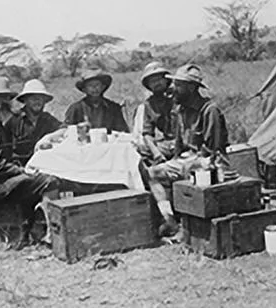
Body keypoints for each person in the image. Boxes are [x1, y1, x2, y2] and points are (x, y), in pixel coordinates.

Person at [0, 76, 58, 248]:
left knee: (35, 180)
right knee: (50, 182)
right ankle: (48, 232)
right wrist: (20, 171)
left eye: (5, 99)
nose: (3, 103)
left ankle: (35, 227)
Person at [144, 63, 229, 237]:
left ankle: (188, 224)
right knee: (151, 173)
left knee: (188, 169)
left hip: (210, 163)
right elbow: (179, 145)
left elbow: (213, 150)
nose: (173, 89)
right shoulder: (180, 109)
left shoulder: (209, 110)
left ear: (191, 88)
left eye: (179, 85)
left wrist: (184, 164)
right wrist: (174, 162)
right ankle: (170, 219)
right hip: (188, 160)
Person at [8, 79, 63, 166]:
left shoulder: (47, 119)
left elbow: (64, 129)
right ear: (25, 100)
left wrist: (50, 137)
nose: (37, 101)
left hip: (44, 165)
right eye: (33, 98)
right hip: (20, 168)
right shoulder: (14, 120)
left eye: (40, 98)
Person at [64, 69, 129, 133]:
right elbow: (67, 130)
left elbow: (123, 131)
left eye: (97, 85)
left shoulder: (113, 107)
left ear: (103, 87)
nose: (95, 88)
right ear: (84, 89)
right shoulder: (76, 108)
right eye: (90, 85)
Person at [136, 61, 176, 165]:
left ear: (166, 80)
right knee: (142, 149)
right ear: (148, 85)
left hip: (184, 142)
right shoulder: (149, 104)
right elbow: (147, 133)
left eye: (159, 79)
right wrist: (156, 152)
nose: (157, 83)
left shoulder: (177, 97)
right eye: (153, 81)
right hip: (167, 143)